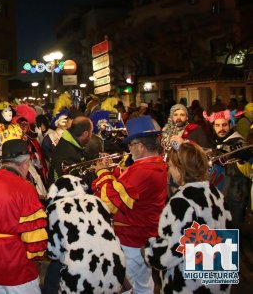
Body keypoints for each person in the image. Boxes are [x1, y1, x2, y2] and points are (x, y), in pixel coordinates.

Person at [92, 116, 167, 294]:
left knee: (126, 287)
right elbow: (128, 187)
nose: (129, 149)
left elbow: (109, 202)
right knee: (144, 284)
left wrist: (102, 172)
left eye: (131, 144)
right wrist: (113, 170)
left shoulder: (142, 170)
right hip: (144, 235)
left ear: (140, 146)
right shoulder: (155, 164)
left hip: (131, 239)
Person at [144, 142, 232, 294]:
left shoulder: (182, 201)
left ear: (181, 169)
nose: (168, 170)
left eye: (170, 166)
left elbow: (172, 252)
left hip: (189, 284)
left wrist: (150, 250)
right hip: (217, 277)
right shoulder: (215, 193)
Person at [0, 139, 47, 294]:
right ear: (25, 163)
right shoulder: (25, 189)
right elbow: (34, 235)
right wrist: (37, 257)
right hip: (17, 264)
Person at [44, 175, 125, 294]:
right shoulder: (98, 202)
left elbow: (53, 253)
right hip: (116, 270)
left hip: (80, 278)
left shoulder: (54, 209)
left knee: (53, 272)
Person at [205, 109, 251, 227]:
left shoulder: (238, 142)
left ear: (231, 125)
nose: (221, 128)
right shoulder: (216, 142)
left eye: (224, 125)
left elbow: (248, 171)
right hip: (219, 191)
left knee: (232, 229)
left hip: (235, 194)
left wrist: (244, 159)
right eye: (218, 125)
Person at [49, 116, 93, 182]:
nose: (91, 135)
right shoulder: (68, 152)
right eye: (91, 132)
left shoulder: (70, 143)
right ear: (85, 134)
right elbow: (80, 182)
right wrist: (99, 171)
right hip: (65, 190)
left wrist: (97, 161)